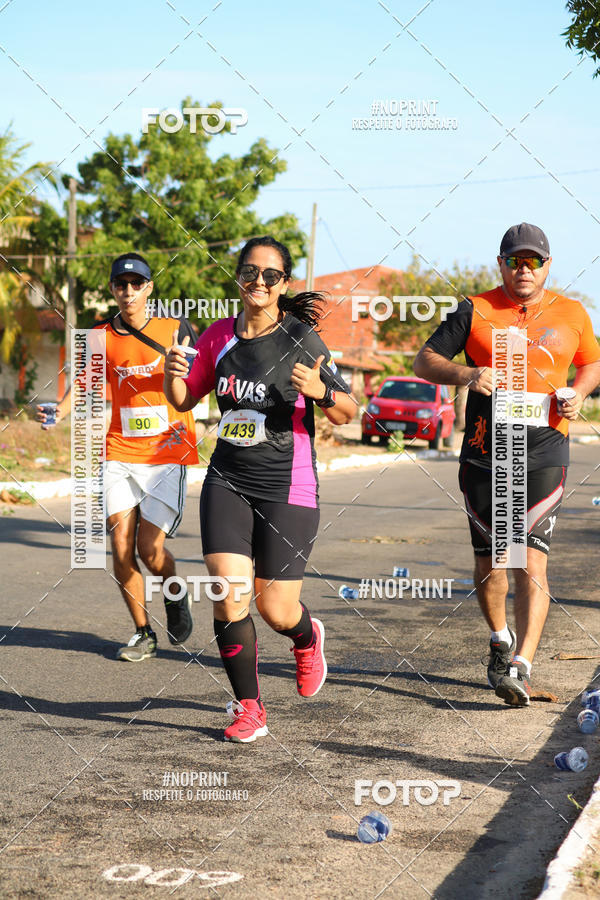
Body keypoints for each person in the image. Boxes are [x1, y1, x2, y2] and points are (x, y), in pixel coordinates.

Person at [164, 235, 355, 741]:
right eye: (250, 272)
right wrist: (172, 376)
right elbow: (184, 399)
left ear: (283, 284)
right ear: (238, 276)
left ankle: (305, 635)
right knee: (228, 595)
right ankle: (249, 707)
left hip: (286, 485)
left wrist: (322, 392)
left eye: (270, 275)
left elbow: (350, 413)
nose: (259, 282)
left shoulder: (301, 340)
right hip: (227, 478)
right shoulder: (218, 336)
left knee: (274, 608)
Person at [414, 223, 600, 706]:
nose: (524, 269)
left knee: (531, 559)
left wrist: (578, 393)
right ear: (501, 264)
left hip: (544, 449)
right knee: (493, 562)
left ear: (547, 265)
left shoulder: (573, 312)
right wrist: (468, 373)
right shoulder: (475, 309)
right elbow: (424, 360)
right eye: (515, 260)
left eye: (533, 261)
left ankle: (522, 665)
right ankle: (500, 639)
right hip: (484, 451)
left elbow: (592, 362)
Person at [38, 253, 199, 661]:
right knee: (120, 546)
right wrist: (60, 409)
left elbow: (202, 378)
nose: (128, 291)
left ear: (149, 288)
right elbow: (86, 385)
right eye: (120, 284)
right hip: (120, 452)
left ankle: (174, 595)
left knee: (151, 550)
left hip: (168, 451)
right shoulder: (99, 336)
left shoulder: (176, 329)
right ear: (113, 289)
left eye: (136, 283)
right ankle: (143, 633)